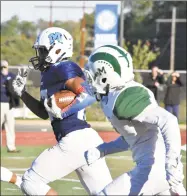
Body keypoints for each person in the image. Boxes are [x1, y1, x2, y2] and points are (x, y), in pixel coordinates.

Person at [12, 27, 112, 196]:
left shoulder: (63, 67)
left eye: (42, 50)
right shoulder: (50, 73)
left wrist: (64, 112)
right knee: (105, 193)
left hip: (75, 139)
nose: (40, 55)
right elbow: (44, 112)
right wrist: (22, 93)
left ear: (57, 49)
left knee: (31, 181)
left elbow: (90, 93)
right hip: (84, 140)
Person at [81, 45, 185, 195]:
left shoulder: (126, 97)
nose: (89, 80)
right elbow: (134, 137)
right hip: (154, 169)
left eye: (92, 75)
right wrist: (103, 150)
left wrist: (172, 168)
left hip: (154, 170)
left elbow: (169, 121)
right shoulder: (114, 96)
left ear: (105, 76)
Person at [0, 60, 20, 153]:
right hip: (0, 103)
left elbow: (18, 88)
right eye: (2, 67)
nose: (3, 69)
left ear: (7, 66)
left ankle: (11, 147)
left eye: (4, 67)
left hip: (9, 104)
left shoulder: (12, 76)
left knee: (10, 126)